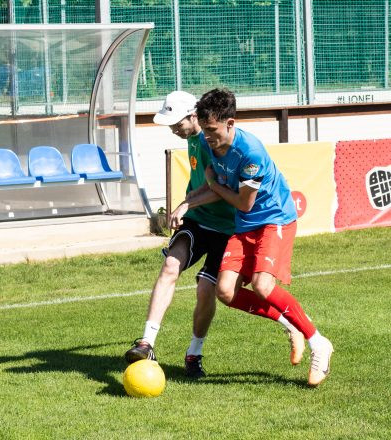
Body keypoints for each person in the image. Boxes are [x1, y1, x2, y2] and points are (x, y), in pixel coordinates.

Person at [125, 90, 305, 378]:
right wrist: (190, 204)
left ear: (194, 117)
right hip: (198, 221)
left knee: (209, 290)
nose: (173, 129)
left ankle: (194, 353)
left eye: (176, 123)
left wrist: (186, 202)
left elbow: (224, 190)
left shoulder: (218, 140)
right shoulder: (199, 140)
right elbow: (207, 183)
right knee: (171, 264)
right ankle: (146, 342)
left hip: (228, 229)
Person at [190, 87, 334, 387]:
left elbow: (244, 202)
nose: (208, 136)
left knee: (262, 285)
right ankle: (289, 325)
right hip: (245, 225)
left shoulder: (250, 152)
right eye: (204, 130)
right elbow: (212, 179)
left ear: (231, 123)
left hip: (273, 218)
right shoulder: (206, 142)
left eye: (213, 130)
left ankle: (318, 342)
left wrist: (214, 187)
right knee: (225, 291)